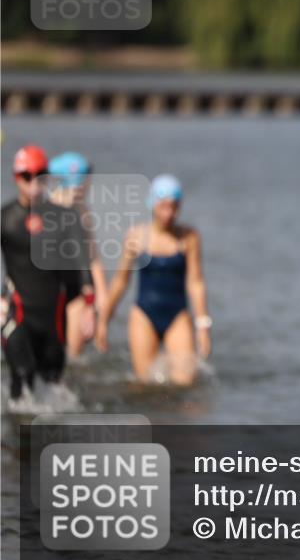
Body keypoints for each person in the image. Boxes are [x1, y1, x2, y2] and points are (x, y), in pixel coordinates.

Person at [96, 174, 211, 386]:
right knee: (145, 384)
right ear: (152, 204)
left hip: (178, 315)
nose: (169, 213)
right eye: (164, 206)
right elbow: (121, 280)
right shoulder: (136, 236)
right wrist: (104, 321)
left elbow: (196, 282)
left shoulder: (189, 237)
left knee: (185, 382)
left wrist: (203, 325)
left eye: (174, 207)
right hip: (143, 315)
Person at [1, 144, 94, 400]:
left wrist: (89, 306)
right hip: (16, 311)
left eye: (39, 175)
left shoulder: (66, 218)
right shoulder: (6, 218)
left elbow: (82, 263)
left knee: (51, 384)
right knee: (22, 375)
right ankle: (11, 438)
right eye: (26, 176)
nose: (33, 183)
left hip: (53, 317)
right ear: (16, 178)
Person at [47, 152, 108, 360]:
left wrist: (101, 295)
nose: (89, 185)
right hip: (51, 288)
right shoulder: (45, 211)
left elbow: (92, 256)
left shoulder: (83, 211)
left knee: (73, 354)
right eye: (85, 180)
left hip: (79, 289)